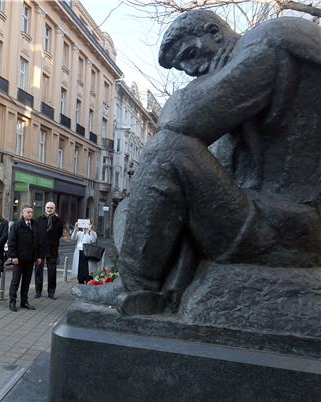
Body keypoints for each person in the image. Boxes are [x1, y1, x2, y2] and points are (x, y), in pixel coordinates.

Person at [107, 10, 321, 307]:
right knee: (130, 207)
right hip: (271, 216)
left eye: (192, 54)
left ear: (214, 33)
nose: (193, 70)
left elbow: (178, 122)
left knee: (166, 153)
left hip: (285, 225)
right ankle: (164, 285)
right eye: (184, 68)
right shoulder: (254, 59)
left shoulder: (270, 42)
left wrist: (206, 86)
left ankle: (136, 288)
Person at [7, 206, 41, 312]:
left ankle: (24, 301)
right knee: (15, 281)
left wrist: (38, 257)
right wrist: (13, 256)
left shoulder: (34, 225)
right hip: (19, 259)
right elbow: (11, 242)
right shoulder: (16, 225)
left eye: (32, 212)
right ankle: (12, 301)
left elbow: (38, 243)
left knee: (26, 282)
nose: (30, 214)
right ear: (23, 213)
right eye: (28, 212)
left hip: (30, 259)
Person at [34, 201, 64, 299]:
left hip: (52, 249)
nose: (49, 209)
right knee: (38, 271)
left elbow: (59, 234)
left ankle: (51, 292)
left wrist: (53, 243)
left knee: (52, 271)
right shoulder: (39, 219)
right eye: (47, 207)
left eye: (51, 208)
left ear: (54, 209)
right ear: (45, 208)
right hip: (40, 249)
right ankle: (38, 291)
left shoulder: (59, 221)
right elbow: (36, 234)